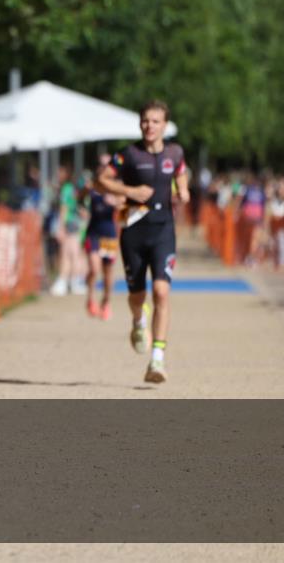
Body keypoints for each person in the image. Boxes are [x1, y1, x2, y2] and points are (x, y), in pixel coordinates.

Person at [97, 100, 189, 383]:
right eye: (146, 121)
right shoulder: (129, 154)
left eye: (156, 121)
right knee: (137, 296)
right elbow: (101, 180)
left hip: (163, 231)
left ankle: (157, 360)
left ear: (165, 125)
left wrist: (183, 193)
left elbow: (181, 176)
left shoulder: (175, 152)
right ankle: (139, 319)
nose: (150, 126)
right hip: (133, 233)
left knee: (161, 291)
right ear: (140, 123)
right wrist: (130, 190)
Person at [81, 154, 120, 319]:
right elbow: (79, 199)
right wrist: (84, 194)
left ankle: (106, 301)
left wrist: (116, 201)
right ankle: (90, 298)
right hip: (93, 232)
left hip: (109, 234)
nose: (103, 167)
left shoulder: (116, 185)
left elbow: (125, 202)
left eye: (107, 164)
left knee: (108, 272)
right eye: (100, 164)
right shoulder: (92, 185)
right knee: (94, 268)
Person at [49, 165, 87, 296]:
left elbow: (64, 209)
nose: (57, 176)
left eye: (60, 173)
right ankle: (74, 281)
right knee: (75, 253)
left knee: (67, 254)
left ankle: (64, 281)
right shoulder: (74, 189)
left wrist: (60, 227)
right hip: (77, 223)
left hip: (69, 223)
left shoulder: (66, 189)